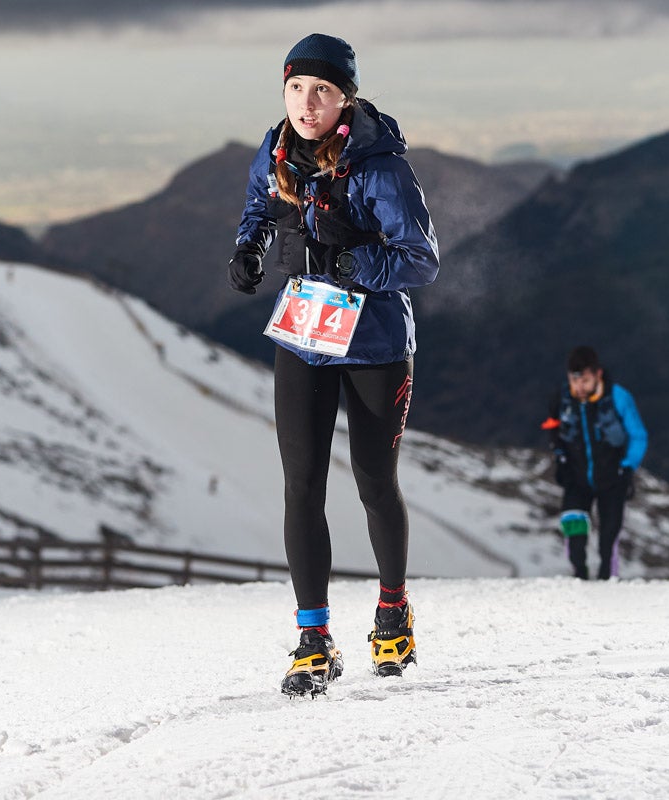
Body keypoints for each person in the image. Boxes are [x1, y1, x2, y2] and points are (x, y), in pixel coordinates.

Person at [227, 33, 439, 696]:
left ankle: (393, 611)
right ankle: (313, 641)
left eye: (321, 90)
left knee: (375, 482)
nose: (306, 102)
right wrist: (248, 247)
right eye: (295, 88)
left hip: (375, 342)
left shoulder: (380, 167)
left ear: (344, 96)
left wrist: (355, 264)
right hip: (303, 337)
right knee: (302, 487)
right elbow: (260, 201)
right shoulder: (277, 146)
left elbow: (422, 259)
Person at [541, 346, 648, 580]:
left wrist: (628, 466)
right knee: (574, 527)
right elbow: (553, 429)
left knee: (608, 537)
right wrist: (560, 456)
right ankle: (579, 574)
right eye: (574, 380)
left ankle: (607, 582)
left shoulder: (618, 398)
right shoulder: (561, 399)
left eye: (585, 381)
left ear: (598, 375)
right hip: (576, 477)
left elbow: (638, 435)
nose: (579, 387)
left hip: (612, 477)